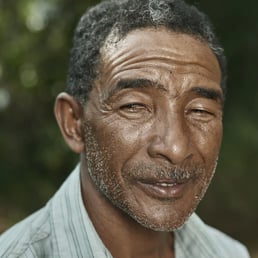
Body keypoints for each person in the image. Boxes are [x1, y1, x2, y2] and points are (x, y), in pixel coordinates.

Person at [0, 0, 250, 257]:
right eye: (134, 106)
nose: (176, 148)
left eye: (199, 110)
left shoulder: (228, 252)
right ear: (74, 123)